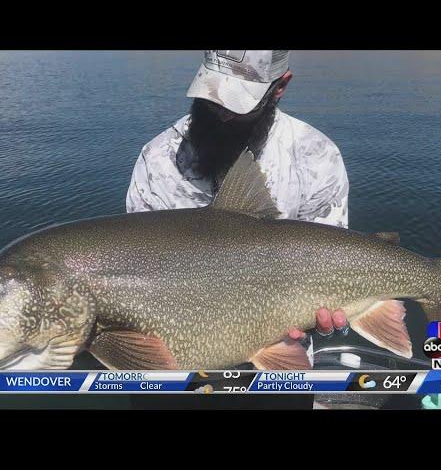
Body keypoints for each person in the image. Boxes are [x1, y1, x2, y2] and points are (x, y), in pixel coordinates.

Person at [126, 50, 350, 409]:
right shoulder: (158, 161)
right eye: (212, 95)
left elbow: (328, 266)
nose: (221, 112)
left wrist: (320, 317)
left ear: (280, 87)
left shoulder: (316, 157)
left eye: (237, 101)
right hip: (172, 369)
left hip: (279, 361)